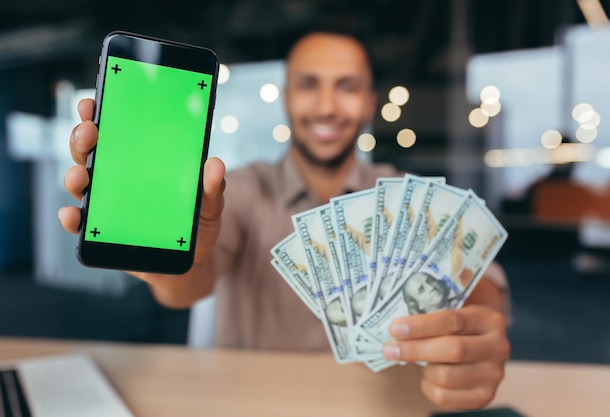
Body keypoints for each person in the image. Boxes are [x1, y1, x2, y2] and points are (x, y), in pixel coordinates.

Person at [59, 31, 510, 410]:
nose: (328, 106)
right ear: (287, 96)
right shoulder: (239, 190)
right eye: (309, 85)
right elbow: (193, 283)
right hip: (252, 408)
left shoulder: (402, 193)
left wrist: (473, 323)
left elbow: (483, 281)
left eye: (347, 86)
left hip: (378, 407)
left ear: (370, 102)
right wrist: (172, 264)